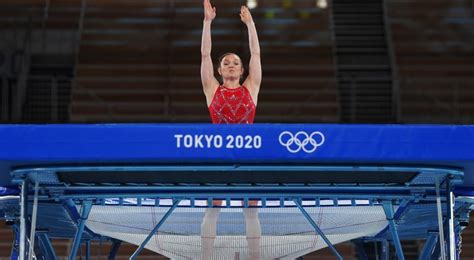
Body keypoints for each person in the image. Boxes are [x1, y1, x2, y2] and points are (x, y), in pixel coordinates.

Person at [200, 0, 262, 259]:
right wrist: (207, 23)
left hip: (248, 156)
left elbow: (256, 54)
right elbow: (204, 55)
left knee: (251, 210)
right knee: (213, 209)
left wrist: (250, 24)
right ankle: (206, 255)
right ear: (219, 70)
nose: (231, 64)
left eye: (236, 62)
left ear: (242, 69)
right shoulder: (212, 89)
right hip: (219, 156)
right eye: (226, 62)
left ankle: (255, 256)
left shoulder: (252, 87)